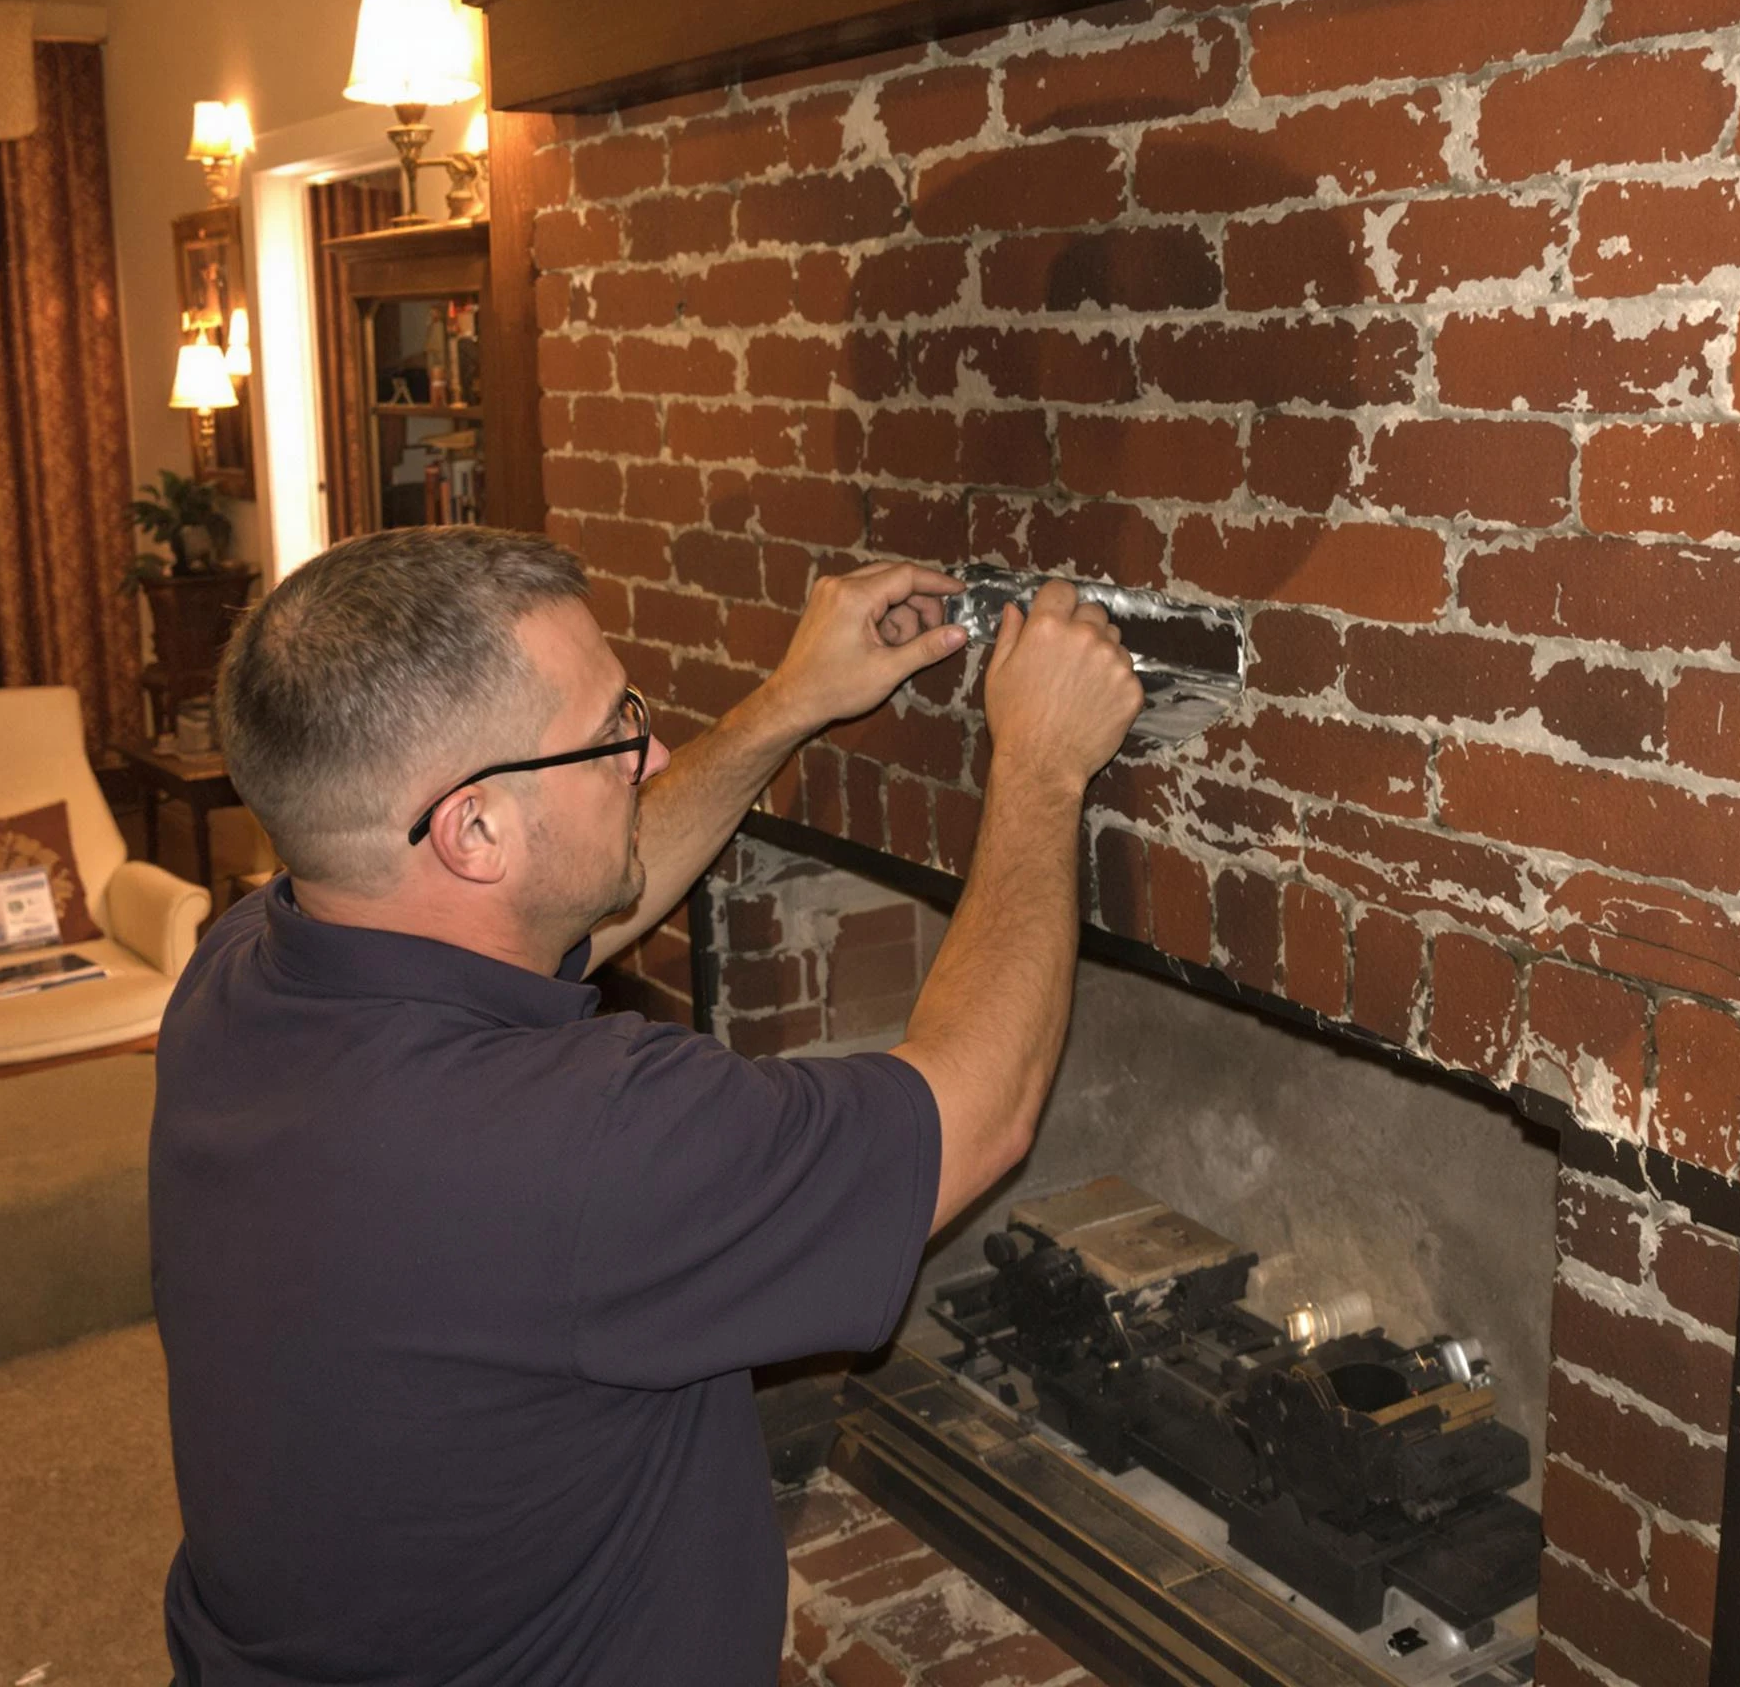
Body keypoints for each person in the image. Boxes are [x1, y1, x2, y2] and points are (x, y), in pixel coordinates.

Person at [149, 524, 1142, 1687]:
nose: (652, 748)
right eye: (615, 732)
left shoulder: (243, 971)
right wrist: (1040, 765)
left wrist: (787, 703)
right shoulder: (575, 1141)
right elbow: (977, 1114)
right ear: (473, 827)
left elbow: (566, 902)